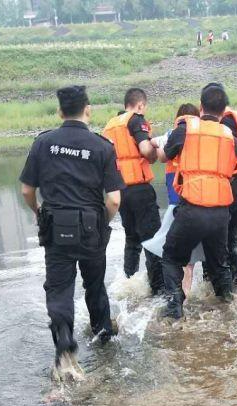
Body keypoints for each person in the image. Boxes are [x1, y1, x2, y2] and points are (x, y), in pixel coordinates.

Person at [19, 85, 123, 378]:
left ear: (60, 112)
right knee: (94, 283)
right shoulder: (102, 146)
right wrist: (101, 222)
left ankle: (64, 345)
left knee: (59, 290)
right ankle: (104, 334)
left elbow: (27, 190)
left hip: (55, 228)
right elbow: (114, 199)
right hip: (91, 227)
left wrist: (39, 213)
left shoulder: (43, 143)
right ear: (88, 109)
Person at [161, 83, 237, 320]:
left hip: (192, 209)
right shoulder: (230, 136)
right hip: (220, 213)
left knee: (171, 257)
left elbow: (167, 153)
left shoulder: (186, 128)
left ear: (201, 105)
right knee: (219, 264)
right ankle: (229, 305)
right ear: (224, 110)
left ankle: (175, 308)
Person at [103, 88, 164, 296]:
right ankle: (158, 288)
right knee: (152, 238)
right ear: (139, 105)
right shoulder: (136, 120)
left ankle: (129, 283)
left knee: (132, 239)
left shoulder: (110, 125)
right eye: (144, 107)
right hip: (139, 188)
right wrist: (155, 154)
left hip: (120, 191)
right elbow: (146, 149)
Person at [143, 103, 203, 297]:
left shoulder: (171, 134)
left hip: (177, 205)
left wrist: (154, 143)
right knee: (191, 260)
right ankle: (188, 291)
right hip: (200, 204)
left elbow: (158, 153)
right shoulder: (203, 137)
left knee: (173, 253)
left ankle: (177, 296)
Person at [204, 83, 237, 291]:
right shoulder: (234, 119)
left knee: (215, 241)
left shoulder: (220, 124)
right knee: (231, 239)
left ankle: (217, 287)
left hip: (225, 187)